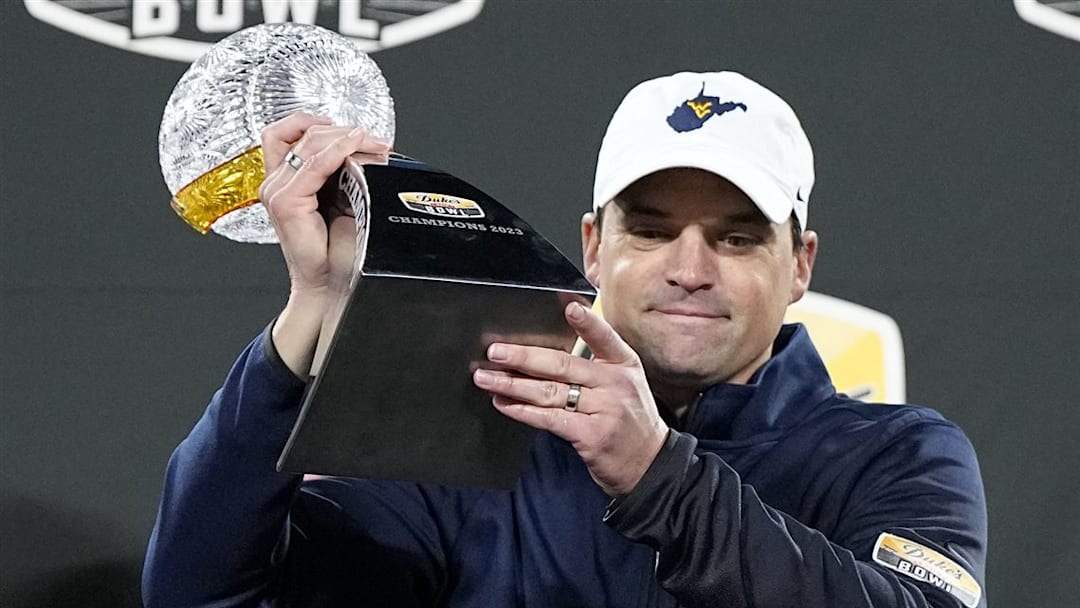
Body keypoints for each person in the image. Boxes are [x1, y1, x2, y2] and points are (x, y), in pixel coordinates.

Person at [143, 71, 987, 608]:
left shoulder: (899, 457)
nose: (690, 268)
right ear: (593, 246)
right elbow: (203, 593)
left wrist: (660, 477)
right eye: (651, 231)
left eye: (736, 238)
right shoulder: (475, 439)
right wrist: (315, 312)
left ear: (799, 265)